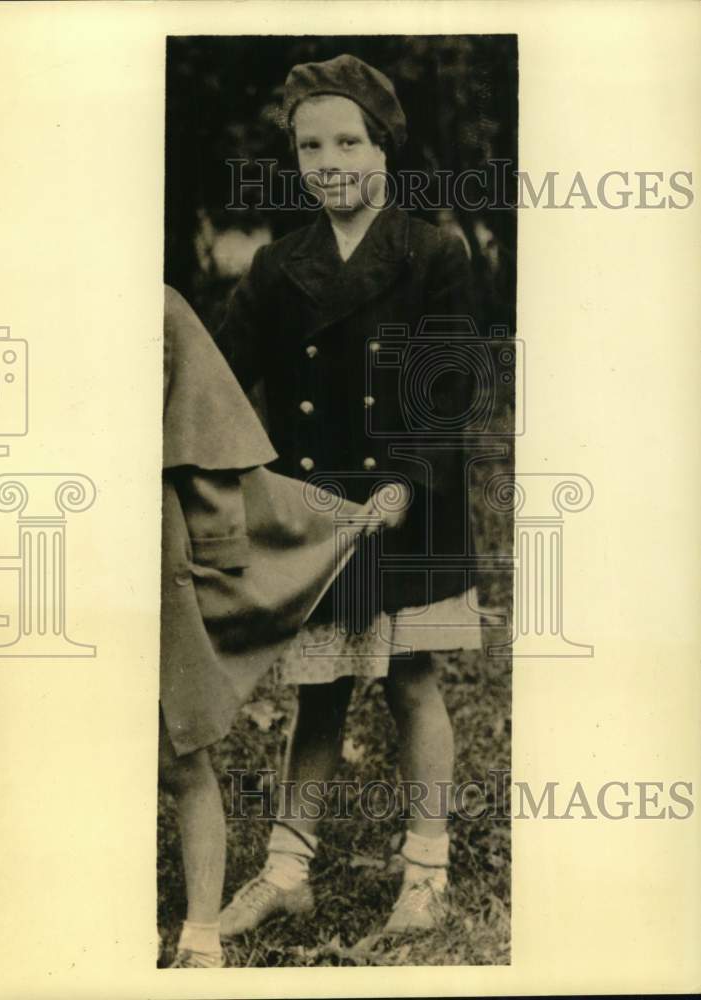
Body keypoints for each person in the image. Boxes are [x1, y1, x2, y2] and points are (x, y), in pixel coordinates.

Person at [215, 54, 484, 939]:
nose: (328, 161)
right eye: (308, 146)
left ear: (382, 148)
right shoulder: (276, 266)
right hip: (319, 515)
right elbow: (221, 379)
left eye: (347, 141)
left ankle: (426, 871)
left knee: (411, 678)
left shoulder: (433, 253)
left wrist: (407, 484)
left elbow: (447, 392)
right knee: (319, 688)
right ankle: (287, 870)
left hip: (406, 502)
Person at [159, 285, 369, 967]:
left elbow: (210, 443)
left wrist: (217, 552)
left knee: (179, 746)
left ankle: (200, 936)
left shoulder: (156, 307)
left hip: (150, 546)